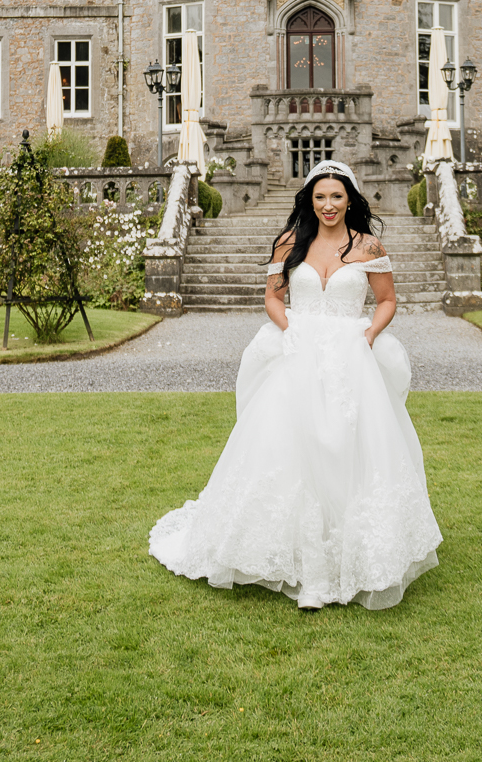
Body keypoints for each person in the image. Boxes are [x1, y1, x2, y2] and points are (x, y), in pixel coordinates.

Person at [148, 159, 442, 610]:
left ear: (350, 200)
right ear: (309, 199)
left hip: (350, 355)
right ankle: (300, 563)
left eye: (337, 197)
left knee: (350, 448)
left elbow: (387, 300)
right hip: (298, 350)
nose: (328, 205)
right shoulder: (291, 243)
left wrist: (367, 335)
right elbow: (272, 296)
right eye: (320, 196)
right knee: (290, 448)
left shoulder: (367, 246)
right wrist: (289, 328)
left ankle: (358, 557)